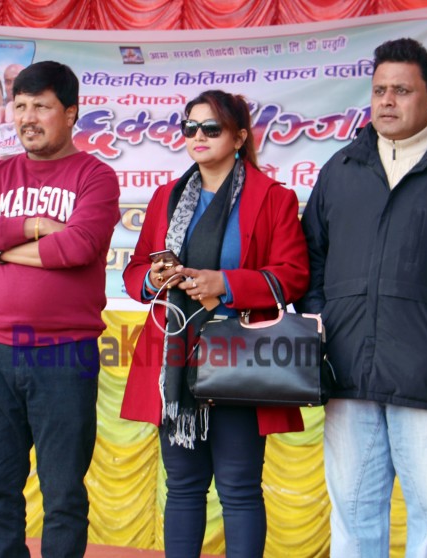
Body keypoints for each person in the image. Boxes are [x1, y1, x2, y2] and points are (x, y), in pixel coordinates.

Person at [300, 38, 427, 557]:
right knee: (353, 515)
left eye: (402, 90)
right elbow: (312, 257)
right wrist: (322, 326)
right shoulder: (341, 168)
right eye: (379, 91)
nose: (387, 101)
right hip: (346, 370)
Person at [120, 90, 309, 557]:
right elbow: (135, 272)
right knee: (182, 486)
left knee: (239, 487)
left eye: (211, 128)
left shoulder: (273, 197)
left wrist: (224, 283)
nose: (198, 136)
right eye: (190, 127)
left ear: (239, 137)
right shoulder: (167, 197)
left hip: (239, 354)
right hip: (175, 357)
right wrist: (153, 277)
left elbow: (293, 276)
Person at [0, 60, 120, 558]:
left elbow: (79, 246)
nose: (27, 117)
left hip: (63, 352)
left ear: (70, 113)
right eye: (21, 106)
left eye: (41, 106)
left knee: (62, 491)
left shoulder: (95, 176)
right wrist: (35, 226)